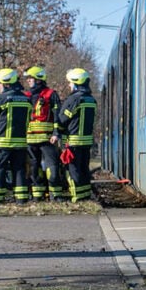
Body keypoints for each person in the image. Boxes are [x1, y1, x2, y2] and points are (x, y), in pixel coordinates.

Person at [0, 68, 31, 205]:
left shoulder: (1, 99)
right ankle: (21, 199)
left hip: (1, 144)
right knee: (19, 171)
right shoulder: (26, 99)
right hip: (21, 144)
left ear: (6, 83)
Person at [53, 67, 96, 202]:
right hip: (86, 142)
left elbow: (63, 119)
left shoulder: (74, 100)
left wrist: (57, 131)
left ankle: (77, 197)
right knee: (84, 169)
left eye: (70, 82)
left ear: (76, 83)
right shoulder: (91, 99)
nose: (69, 85)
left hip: (73, 141)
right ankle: (85, 195)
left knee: (73, 170)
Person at [23, 66, 61, 201]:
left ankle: (55, 194)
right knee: (34, 168)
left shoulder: (51, 94)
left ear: (38, 80)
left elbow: (58, 115)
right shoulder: (26, 96)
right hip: (30, 139)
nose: (28, 81)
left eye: (30, 79)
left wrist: (56, 133)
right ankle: (37, 195)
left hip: (47, 139)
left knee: (53, 166)